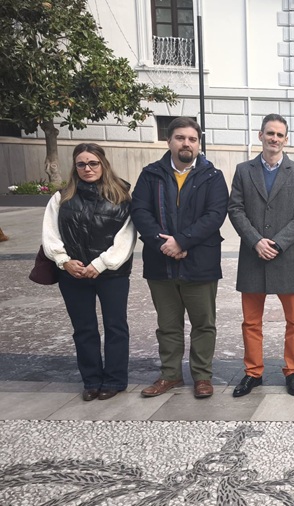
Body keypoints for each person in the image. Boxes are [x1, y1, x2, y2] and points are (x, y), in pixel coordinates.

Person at [131, 117, 229, 399]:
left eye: (192, 139)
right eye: (180, 138)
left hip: (200, 263)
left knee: (203, 324)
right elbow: (140, 211)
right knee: (168, 325)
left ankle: (202, 376)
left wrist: (183, 241)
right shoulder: (150, 174)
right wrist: (165, 244)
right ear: (169, 141)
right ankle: (170, 374)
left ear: (199, 144)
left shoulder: (212, 176)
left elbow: (215, 214)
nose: (186, 143)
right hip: (160, 262)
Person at [41, 143, 136, 401]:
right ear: (75, 167)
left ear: (103, 164)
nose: (87, 168)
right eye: (81, 164)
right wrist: (64, 261)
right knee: (83, 329)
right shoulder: (62, 197)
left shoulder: (122, 196)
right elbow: (50, 233)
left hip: (112, 274)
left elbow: (126, 237)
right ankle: (91, 380)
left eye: (93, 163)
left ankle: (115, 380)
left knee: (116, 327)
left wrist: (101, 264)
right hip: (73, 274)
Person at [227, 114, 294, 397]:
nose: (274, 138)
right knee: (251, 322)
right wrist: (255, 241)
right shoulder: (243, 170)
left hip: (286, 257)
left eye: (279, 134)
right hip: (253, 257)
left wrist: (276, 243)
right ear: (260, 135)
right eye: (270, 133)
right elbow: (235, 209)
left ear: (286, 139)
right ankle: (253, 372)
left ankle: (293, 371)